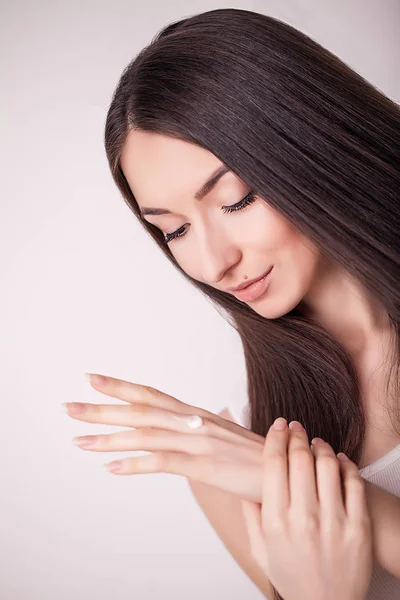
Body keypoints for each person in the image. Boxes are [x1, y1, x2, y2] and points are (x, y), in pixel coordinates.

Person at [100, 7, 400, 600]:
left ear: (316, 147)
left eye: (235, 200)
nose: (212, 264)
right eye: (174, 231)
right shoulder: (229, 469)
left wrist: (337, 497)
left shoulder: (252, 467)